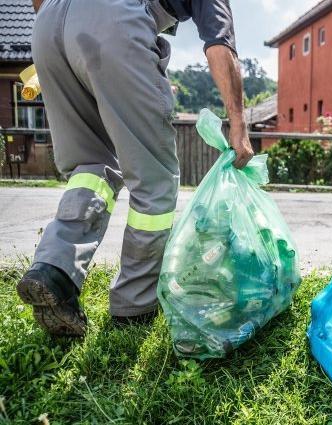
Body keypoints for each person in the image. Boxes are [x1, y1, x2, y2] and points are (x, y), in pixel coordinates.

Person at [16, 0, 254, 337]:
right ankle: (135, 304)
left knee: (90, 168)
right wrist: (239, 122)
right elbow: (219, 42)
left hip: (48, 24)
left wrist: (64, 28)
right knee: (154, 181)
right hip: (113, 22)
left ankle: (54, 269)